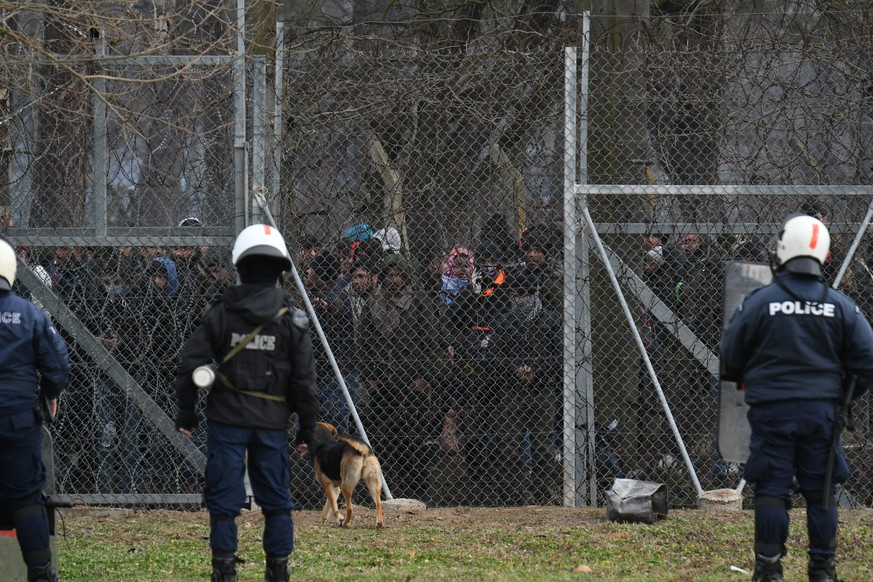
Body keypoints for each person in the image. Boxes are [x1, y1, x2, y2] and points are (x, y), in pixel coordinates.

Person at [720, 214, 873, 582]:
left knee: (772, 488)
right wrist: (844, 396)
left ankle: (769, 568)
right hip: (823, 412)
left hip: (772, 410)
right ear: (823, 254)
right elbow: (867, 361)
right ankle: (822, 569)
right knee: (821, 490)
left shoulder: (761, 302)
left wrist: (747, 379)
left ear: (783, 249)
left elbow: (730, 357)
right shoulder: (840, 306)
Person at [174, 224, 318, 582]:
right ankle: (278, 570)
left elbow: (188, 365)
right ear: (280, 269)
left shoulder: (220, 312)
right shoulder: (291, 320)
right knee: (276, 500)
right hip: (272, 423)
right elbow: (304, 382)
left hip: (226, 420)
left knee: (223, 500)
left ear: (239, 264)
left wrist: (187, 412)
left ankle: (224, 569)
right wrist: (308, 428)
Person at [0, 238, 71, 582]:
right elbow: (58, 364)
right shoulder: (28, 314)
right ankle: (40, 572)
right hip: (16, 417)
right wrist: (49, 394)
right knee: (27, 497)